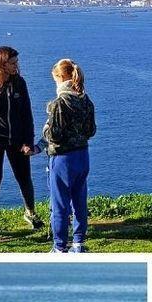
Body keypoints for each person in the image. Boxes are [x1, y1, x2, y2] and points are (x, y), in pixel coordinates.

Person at [0, 46, 42, 235]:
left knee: (24, 178)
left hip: (18, 141)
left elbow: (27, 115)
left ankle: (30, 212)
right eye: (12, 63)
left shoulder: (20, 83)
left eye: (17, 62)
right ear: (2, 64)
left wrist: (29, 142)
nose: (16, 66)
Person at [42, 58, 96, 253]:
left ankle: (59, 247)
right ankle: (79, 243)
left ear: (60, 78)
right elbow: (91, 131)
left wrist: (46, 128)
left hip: (62, 159)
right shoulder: (86, 100)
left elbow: (54, 134)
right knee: (79, 201)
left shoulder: (59, 103)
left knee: (60, 205)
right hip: (83, 155)